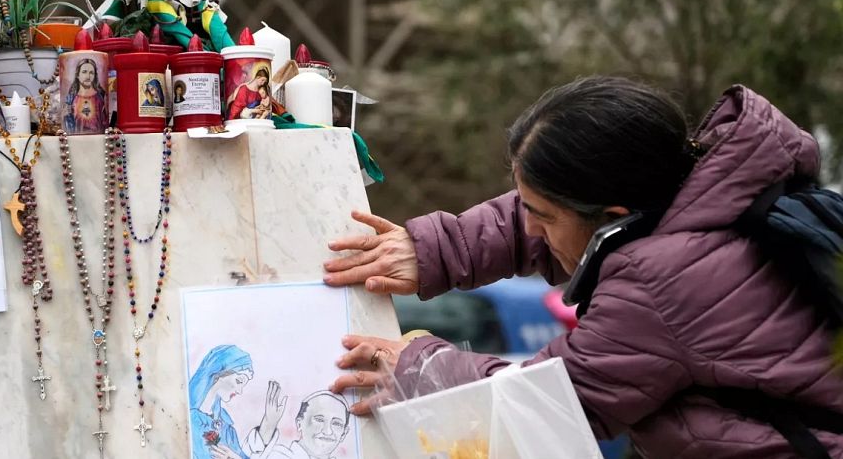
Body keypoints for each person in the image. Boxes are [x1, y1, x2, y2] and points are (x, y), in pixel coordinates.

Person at [324, 78, 843, 457]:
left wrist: (420, 367)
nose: (530, 229)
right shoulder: (704, 192)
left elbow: (553, 404)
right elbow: (548, 210)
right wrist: (440, 247)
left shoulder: (662, 281)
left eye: (543, 216)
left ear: (610, 217)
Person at [189, 345, 285, 459]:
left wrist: (269, 423)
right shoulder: (188, 419)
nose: (239, 391)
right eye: (239, 380)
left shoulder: (226, 428)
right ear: (217, 372)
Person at [261, 391, 351, 459]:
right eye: (319, 420)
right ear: (299, 424)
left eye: (336, 423)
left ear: (344, 433)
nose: (327, 431)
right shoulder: (278, 455)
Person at [64, 58, 107, 133]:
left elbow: (104, 123)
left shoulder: (101, 97)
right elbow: (68, 126)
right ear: (78, 75)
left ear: (94, 76)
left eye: (91, 73)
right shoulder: (71, 99)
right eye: (84, 72)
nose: (88, 76)